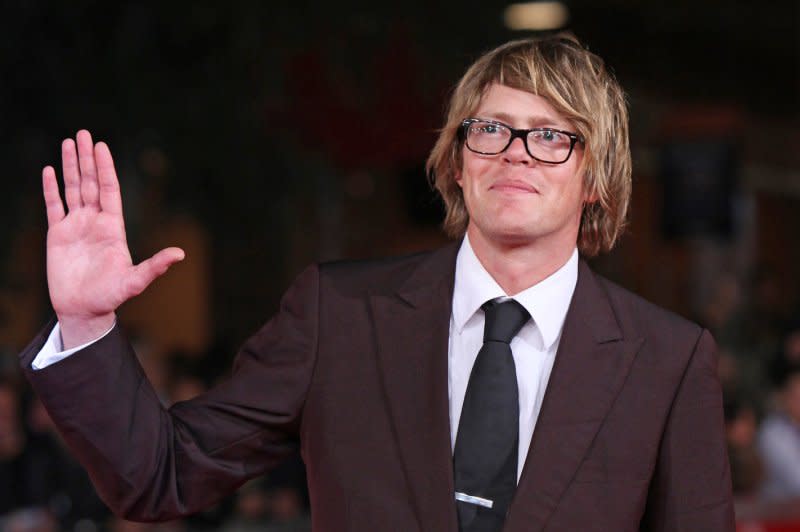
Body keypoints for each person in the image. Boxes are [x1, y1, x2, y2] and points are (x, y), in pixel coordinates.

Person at [19, 33, 734, 531]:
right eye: (489, 129)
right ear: (457, 162)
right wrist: (85, 324)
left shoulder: (666, 360)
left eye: (551, 136)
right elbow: (161, 475)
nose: (515, 153)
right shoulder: (341, 315)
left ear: (598, 180)